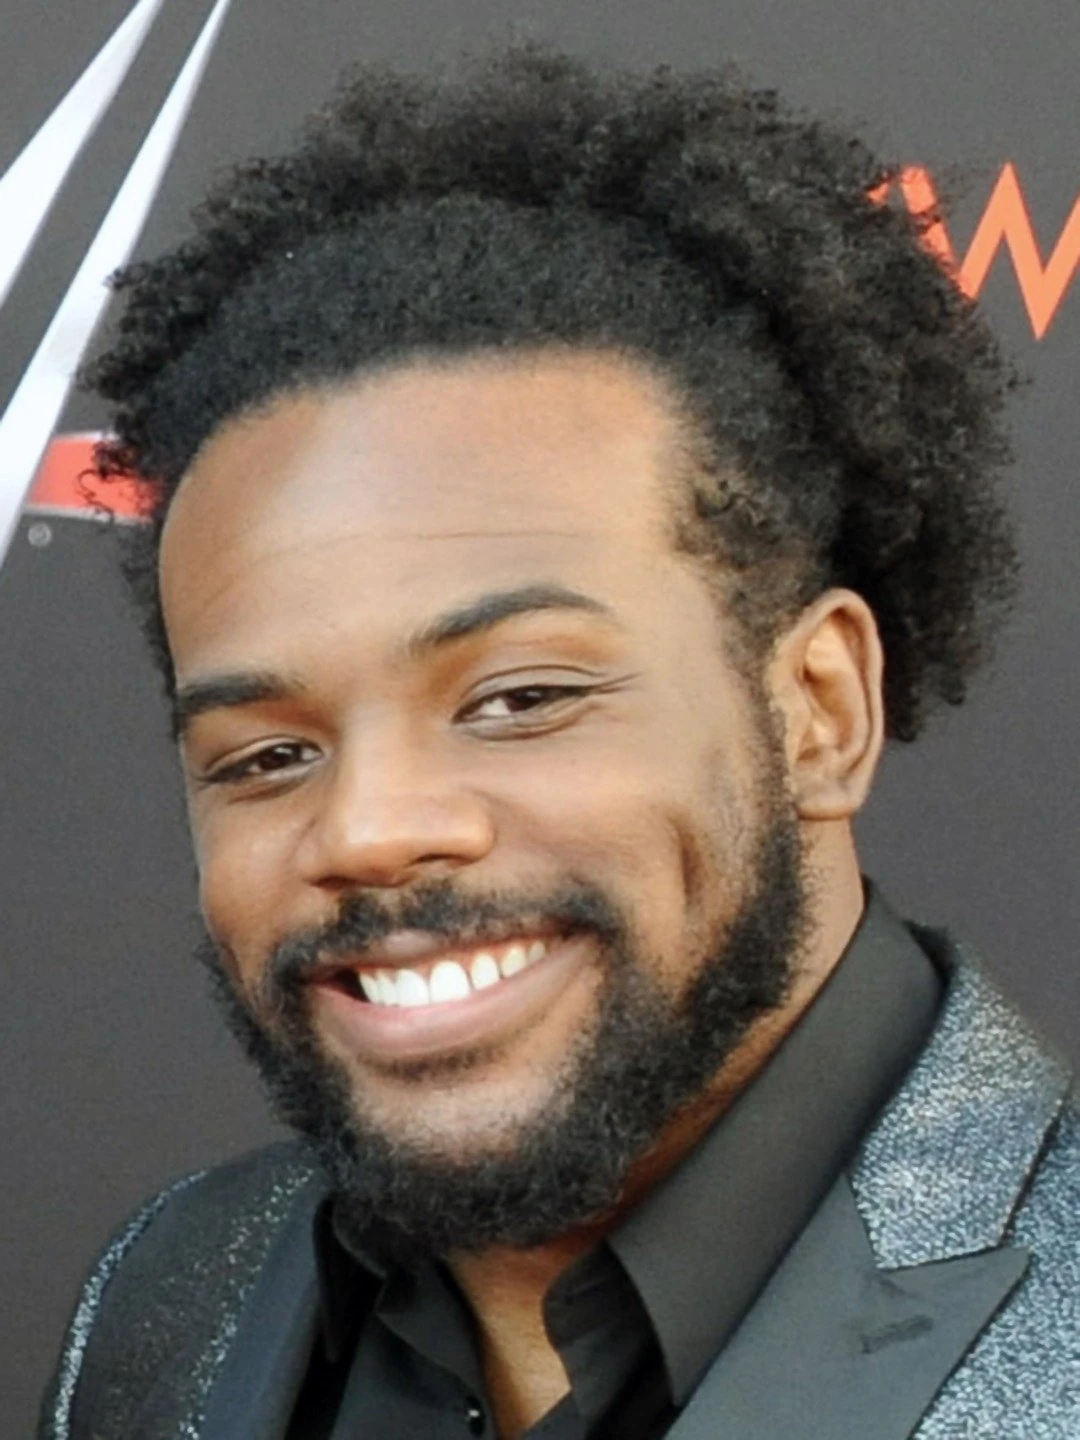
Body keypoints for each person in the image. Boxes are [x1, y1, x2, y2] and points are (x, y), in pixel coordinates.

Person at [39, 46, 1077, 1440]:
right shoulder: (167, 1300)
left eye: (520, 698)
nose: (369, 830)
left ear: (820, 710)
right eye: (268, 755)